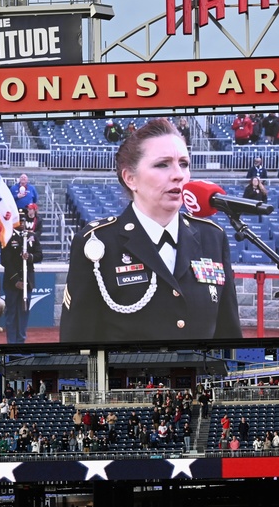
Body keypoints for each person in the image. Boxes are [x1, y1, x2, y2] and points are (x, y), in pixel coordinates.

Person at [60, 118, 240, 343]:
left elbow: (229, 334)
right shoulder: (98, 244)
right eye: (162, 164)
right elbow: (78, 341)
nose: (178, 175)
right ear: (130, 178)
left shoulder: (212, 237)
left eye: (184, 163)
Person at [1, 217, 43, 344]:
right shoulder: (7, 236)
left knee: (23, 314)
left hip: (27, 282)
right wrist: (15, 281)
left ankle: (21, 341)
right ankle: (11, 343)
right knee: (11, 314)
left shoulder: (32, 236)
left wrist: (30, 256)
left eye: (23, 221)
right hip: (12, 282)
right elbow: (5, 261)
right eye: (18, 220)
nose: (21, 223)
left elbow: (39, 255)